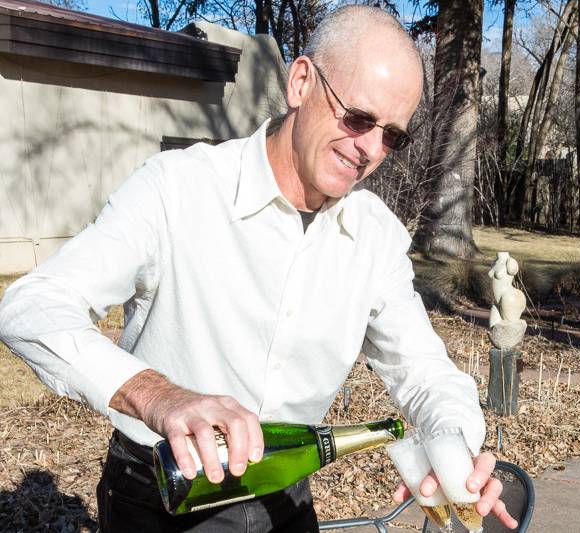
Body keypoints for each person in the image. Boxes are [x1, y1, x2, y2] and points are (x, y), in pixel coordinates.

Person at [0, 6, 517, 532]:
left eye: (392, 136)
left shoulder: (376, 237)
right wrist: (160, 397)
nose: (369, 149)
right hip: (162, 493)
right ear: (300, 82)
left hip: (283, 500)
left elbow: (425, 372)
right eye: (358, 118)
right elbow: (32, 307)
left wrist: (456, 449)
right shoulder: (177, 189)